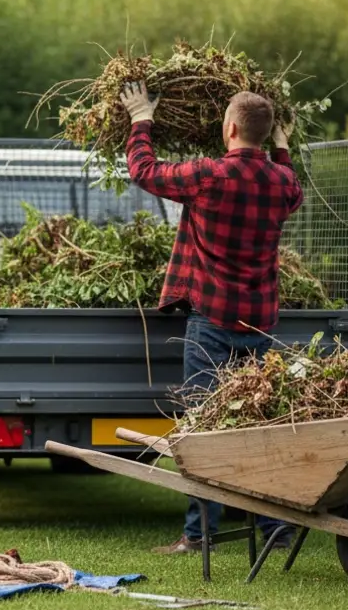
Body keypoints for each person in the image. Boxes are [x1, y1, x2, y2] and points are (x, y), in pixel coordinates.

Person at [118, 82, 304, 555]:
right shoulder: (283, 184)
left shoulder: (209, 176)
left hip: (212, 322)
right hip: (260, 325)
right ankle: (278, 532)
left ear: (229, 128)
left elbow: (144, 169)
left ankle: (199, 537)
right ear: (263, 134)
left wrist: (141, 117)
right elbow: (294, 190)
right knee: (255, 427)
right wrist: (282, 146)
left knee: (202, 429)